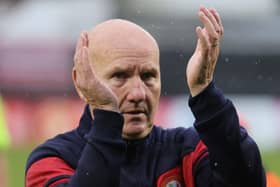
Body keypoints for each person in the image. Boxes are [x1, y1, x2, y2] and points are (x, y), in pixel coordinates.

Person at [25, 6, 266, 187]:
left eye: (149, 76)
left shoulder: (188, 151)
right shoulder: (52, 160)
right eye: (120, 76)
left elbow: (247, 181)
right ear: (81, 82)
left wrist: (205, 92)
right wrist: (107, 115)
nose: (139, 93)